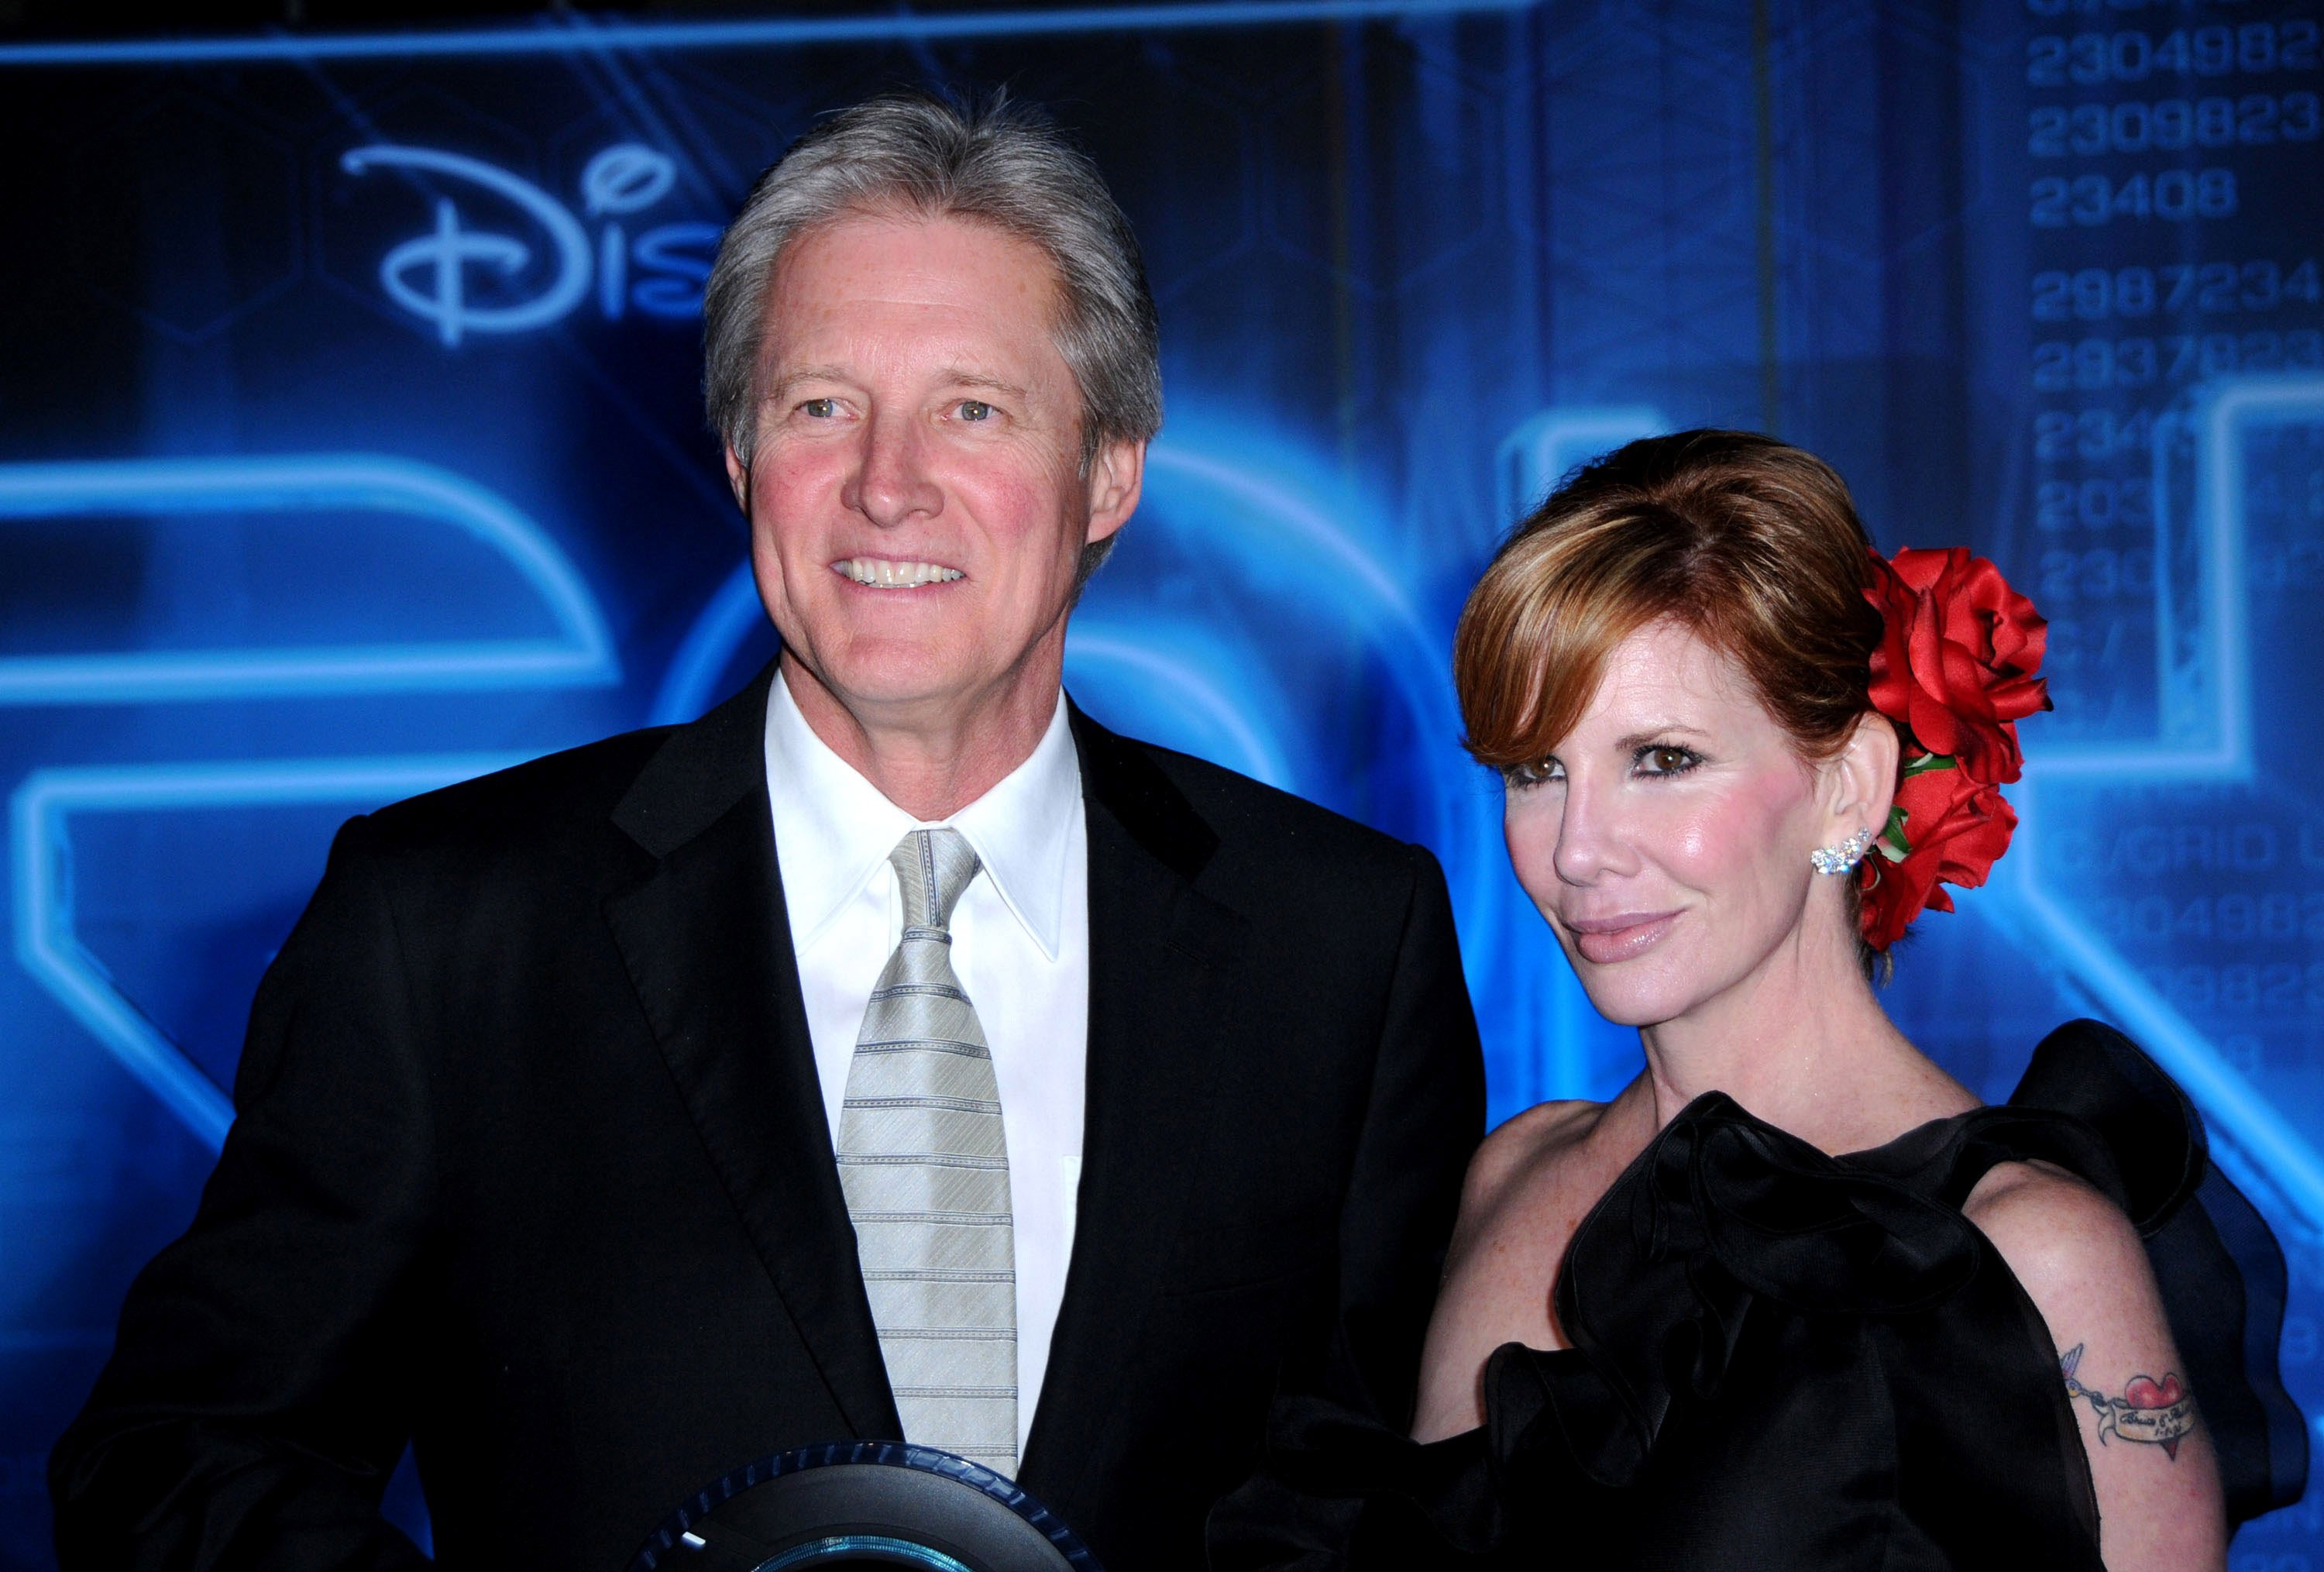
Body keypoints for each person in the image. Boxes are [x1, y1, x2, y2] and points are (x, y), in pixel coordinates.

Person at [49, 93, 1484, 1572]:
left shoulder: (1339, 946)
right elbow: (171, 1460)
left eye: (972, 408)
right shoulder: (446, 927)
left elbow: (1386, 1496)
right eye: (820, 406)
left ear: (1109, 471)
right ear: (742, 463)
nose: (887, 482)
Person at [1208, 431, 2305, 1570]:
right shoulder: (1513, 1170)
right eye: (1538, 772)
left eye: (1664, 758)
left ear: (1847, 790)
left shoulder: (2030, 1249)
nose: (1577, 850)